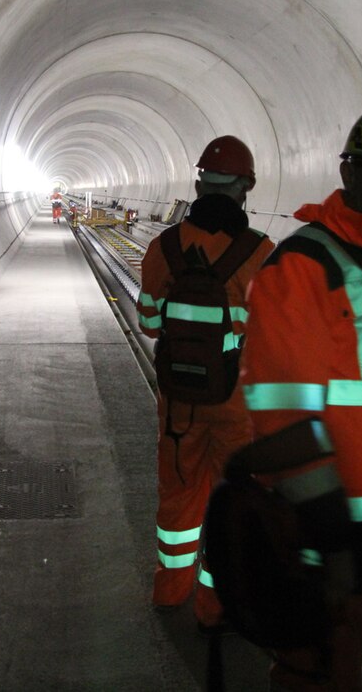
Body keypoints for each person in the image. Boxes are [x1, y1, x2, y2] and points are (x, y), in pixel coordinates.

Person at [237, 104, 362, 691]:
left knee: (340, 665)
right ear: (348, 170)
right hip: (323, 523)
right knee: (312, 671)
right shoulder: (304, 266)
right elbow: (282, 412)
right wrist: (326, 532)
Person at [136, 135, 275, 629]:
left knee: (178, 493)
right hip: (236, 405)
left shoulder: (164, 248)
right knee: (230, 503)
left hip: (180, 402)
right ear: (246, 187)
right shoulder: (261, 253)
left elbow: (149, 324)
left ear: (198, 185)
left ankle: (170, 589)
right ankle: (214, 607)